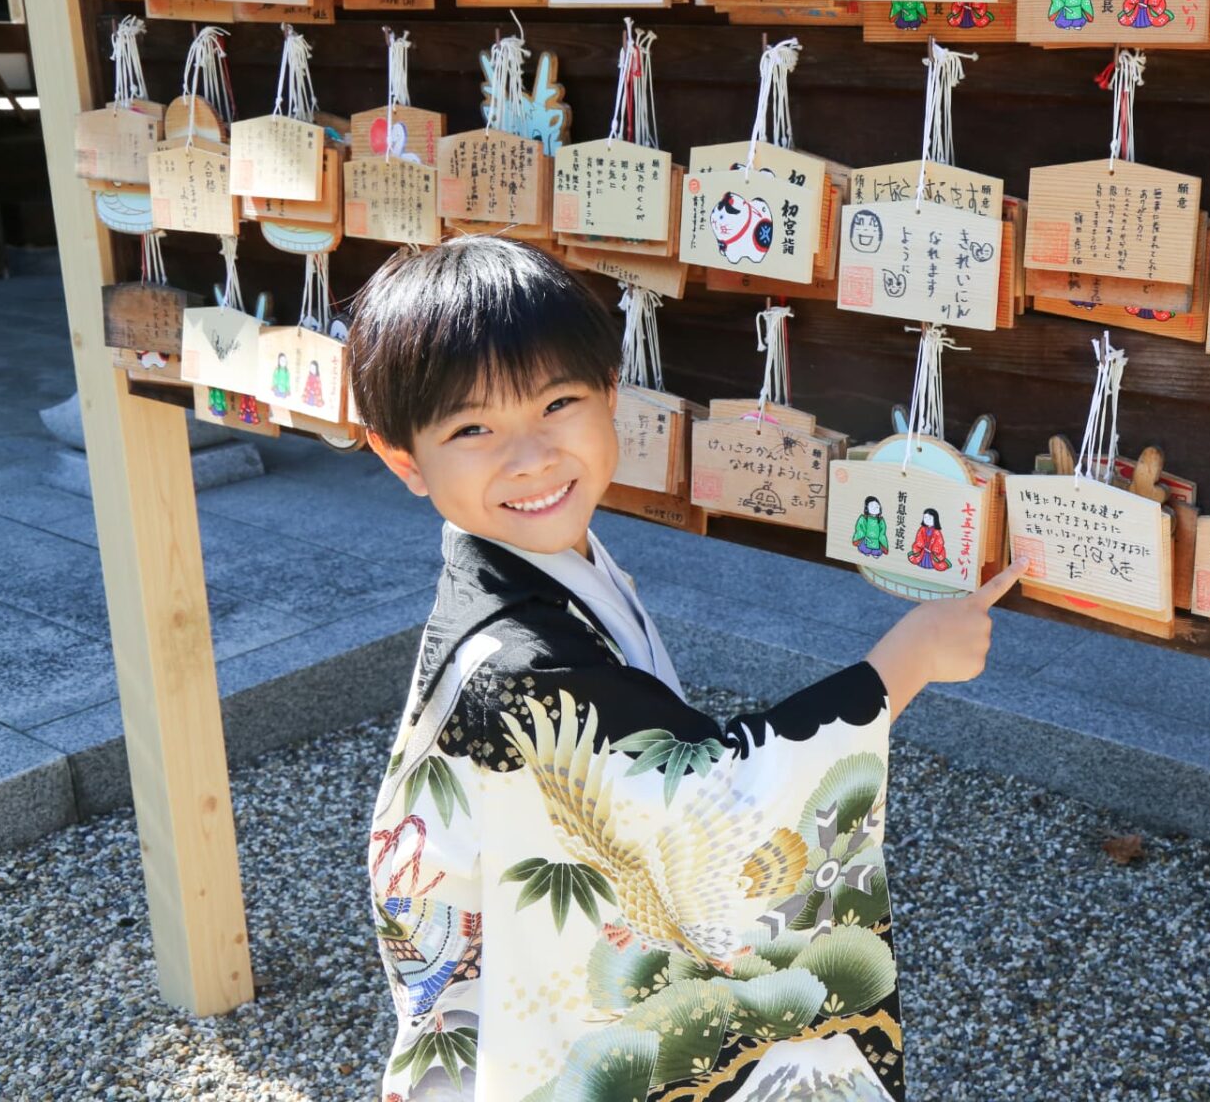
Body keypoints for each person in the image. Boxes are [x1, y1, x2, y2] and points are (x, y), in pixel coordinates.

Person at [351, 236, 1026, 1102]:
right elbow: (704, 807)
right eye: (473, 428)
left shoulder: (527, 574)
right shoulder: (516, 664)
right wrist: (906, 662)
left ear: (610, 397)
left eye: (558, 402)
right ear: (402, 456)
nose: (530, 457)